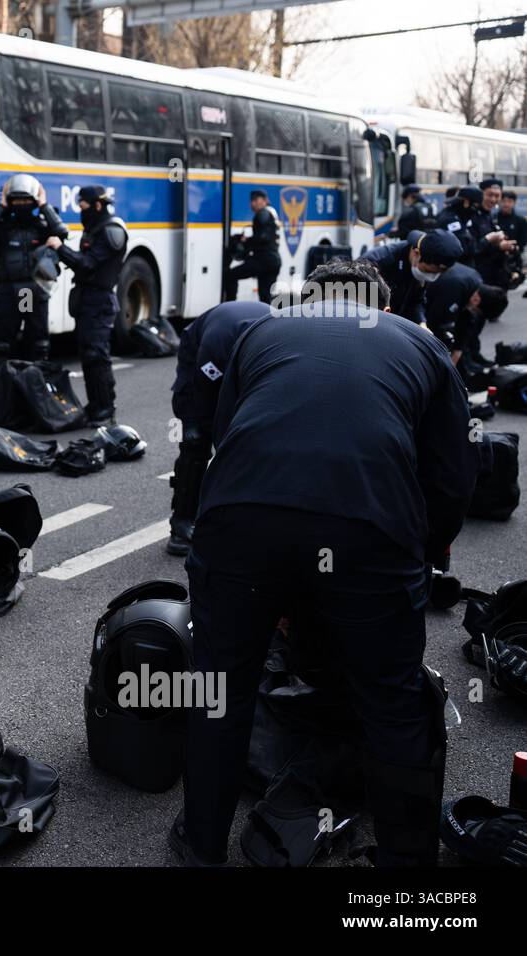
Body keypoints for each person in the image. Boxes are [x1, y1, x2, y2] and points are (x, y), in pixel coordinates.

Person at [171, 257, 481, 867]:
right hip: (368, 523)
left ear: (307, 300)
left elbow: (230, 434)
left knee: (220, 691)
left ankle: (201, 848)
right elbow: (451, 480)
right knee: (391, 704)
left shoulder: (263, 331)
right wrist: (421, 560)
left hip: (238, 519)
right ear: (383, 307)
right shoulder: (419, 342)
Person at [165, 299, 271, 556]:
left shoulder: (276, 339)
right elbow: (205, 396)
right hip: (201, 358)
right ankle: (182, 522)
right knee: (195, 440)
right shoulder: (217, 346)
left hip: (247, 364)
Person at [50, 184, 126, 426]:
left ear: (97, 205)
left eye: (83, 206)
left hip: (99, 301)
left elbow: (88, 264)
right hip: (86, 301)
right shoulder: (95, 229)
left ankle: (105, 408)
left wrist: (60, 249)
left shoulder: (110, 231)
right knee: (87, 358)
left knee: (97, 356)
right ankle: (95, 406)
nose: (81, 211)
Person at [0, 174, 67, 367]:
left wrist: (44, 205)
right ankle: (3, 377)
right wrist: (1, 206)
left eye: (26, 200)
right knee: (3, 337)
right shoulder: (4, 228)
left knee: (36, 336)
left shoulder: (40, 226)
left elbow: (61, 232)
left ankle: (37, 376)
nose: (21, 204)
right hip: (9, 288)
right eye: (17, 200)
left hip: (30, 289)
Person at [426, 264, 508, 387]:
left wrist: (457, 351)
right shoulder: (453, 290)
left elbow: (465, 323)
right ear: (476, 301)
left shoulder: (476, 282)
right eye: (477, 311)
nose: (474, 313)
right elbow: (435, 328)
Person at [359, 229, 462, 326]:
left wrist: (422, 323)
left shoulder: (425, 260)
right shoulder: (376, 263)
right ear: (416, 253)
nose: (431, 277)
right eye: (427, 271)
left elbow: (417, 300)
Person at [222, 189, 281, 304]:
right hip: (274, 261)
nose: (252, 204)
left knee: (231, 275)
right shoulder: (272, 213)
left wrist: (246, 240)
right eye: (251, 201)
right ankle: (269, 320)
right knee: (265, 297)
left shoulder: (262, 214)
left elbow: (263, 237)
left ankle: (229, 306)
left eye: (255, 200)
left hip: (263, 260)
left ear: (264, 201)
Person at [471, 179, 519, 290]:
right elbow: (471, 249)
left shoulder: (490, 215)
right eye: (489, 195)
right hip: (480, 278)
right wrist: (497, 245)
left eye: (497, 196)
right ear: (481, 194)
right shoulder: (472, 215)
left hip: (496, 276)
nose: (493, 199)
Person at [433, 185, 483, 265]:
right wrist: (487, 240)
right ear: (466, 202)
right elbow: (463, 249)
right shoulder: (451, 219)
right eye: (476, 205)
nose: (476, 209)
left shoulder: (460, 216)